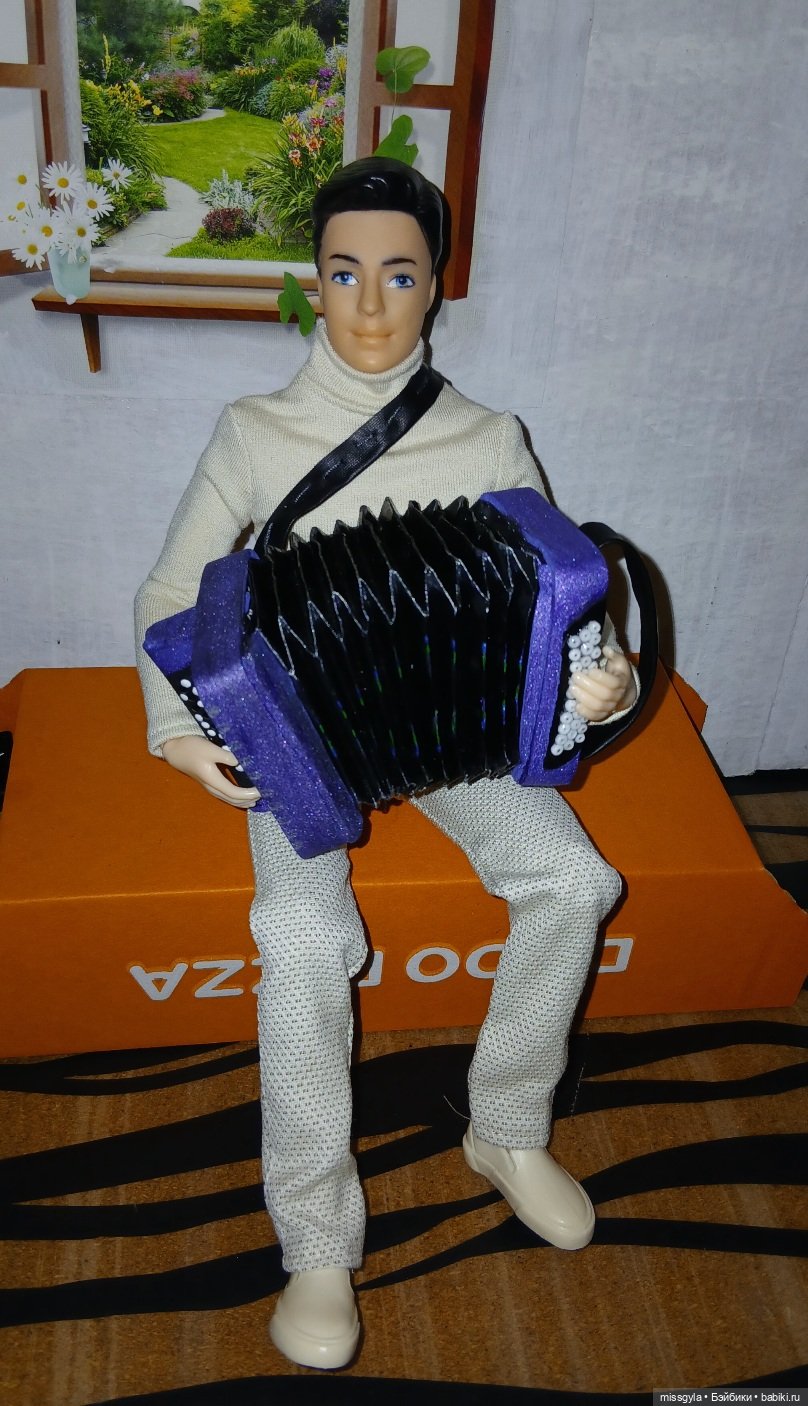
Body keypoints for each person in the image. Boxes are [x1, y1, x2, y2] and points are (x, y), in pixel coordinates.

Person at [134, 157, 637, 1371]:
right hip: (301, 733)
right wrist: (178, 731)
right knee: (302, 936)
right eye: (345, 272)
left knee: (575, 880)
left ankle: (506, 1124)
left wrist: (602, 674)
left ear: (435, 286)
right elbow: (166, 592)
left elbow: (565, 594)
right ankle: (317, 1239)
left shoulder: (490, 434)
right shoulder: (252, 431)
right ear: (314, 284)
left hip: (459, 732)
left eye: (398, 275)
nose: (369, 304)